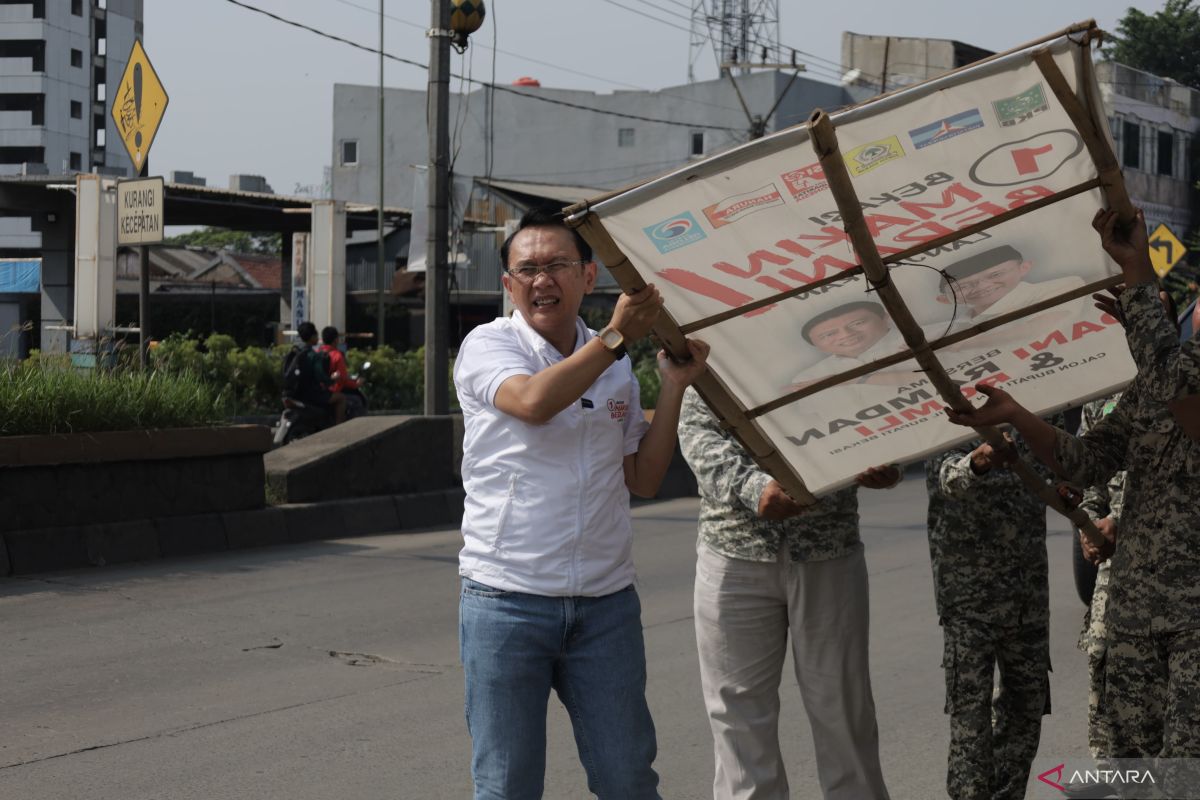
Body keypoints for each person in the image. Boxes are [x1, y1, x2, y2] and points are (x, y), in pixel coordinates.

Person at [453, 206, 710, 800]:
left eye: (559, 265)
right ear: (508, 284)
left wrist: (672, 388)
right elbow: (535, 402)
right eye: (528, 269)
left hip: (604, 606)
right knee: (507, 784)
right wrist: (620, 338)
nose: (543, 279)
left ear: (589, 278)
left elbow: (643, 479)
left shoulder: (614, 367)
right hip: (506, 599)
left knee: (627, 779)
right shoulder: (489, 345)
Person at [945, 285, 1200, 794]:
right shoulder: (1141, 397)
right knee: (1131, 769)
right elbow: (1084, 463)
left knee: (1186, 770)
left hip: (1194, 618)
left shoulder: (1178, 383)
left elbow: (1176, 378)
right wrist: (1017, 414)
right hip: (1134, 616)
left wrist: (1140, 284)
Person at [678, 388, 898, 800]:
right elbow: (697, 433)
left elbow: (877, 415)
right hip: (733, 551)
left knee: (843, 709)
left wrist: (887, 462)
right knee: (737, 718)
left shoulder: (833, 355)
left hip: (827, 550)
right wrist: (754, 488)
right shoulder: (713, 353)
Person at [925, 428, 1056, 800]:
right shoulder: (949, 410)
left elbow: (1064, 462)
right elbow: (945, 476)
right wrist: (979, 461)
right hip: (969, 594)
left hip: (1027, 587)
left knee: (1026, 707)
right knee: (971, 715)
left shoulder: (1037, 410)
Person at [936, 245, 1084, 327]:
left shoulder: (1064, 286)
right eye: (962, 287)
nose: (982, 286)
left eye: (995, 275)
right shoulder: (943, 330)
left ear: (1024, 268)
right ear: (945, 299)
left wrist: (959, 345)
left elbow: (1038, 329)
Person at [788, 301, 912, 389]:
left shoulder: (928, 337)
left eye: (857, 323)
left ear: (885, 318)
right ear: (814, 344)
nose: (846, 335)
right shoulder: (808, 378)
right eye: (828, 334)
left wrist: (841, 380)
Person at [295, 321, 346, 424]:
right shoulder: (313, 355)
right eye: (316, 334)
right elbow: (321, 377)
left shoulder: (297, 351)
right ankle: (340, 429)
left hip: (298, 393)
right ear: (312, 336)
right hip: (313, 394)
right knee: (341, 398)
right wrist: (332, 379)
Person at [318, 326, 363, 418]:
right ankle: (339, 426)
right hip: (330, 392)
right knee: (356, 401)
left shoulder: (317, 353)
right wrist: (356, 384)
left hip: (318, 390)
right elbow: (343, 380)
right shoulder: (337, 356)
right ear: (335, 340)